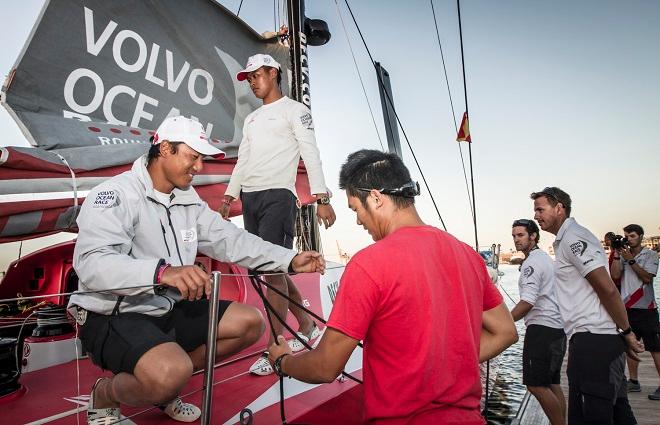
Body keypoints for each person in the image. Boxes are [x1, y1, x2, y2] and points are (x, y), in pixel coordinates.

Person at [68, 116, 325, 424]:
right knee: (169, 372)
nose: (199, 167)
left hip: (167, 308)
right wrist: (162, 273)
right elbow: (92, 264)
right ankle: (108, 392)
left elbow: (233, 240)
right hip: (112, 313)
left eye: (202, 158)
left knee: (249, 323)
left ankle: (164, 385)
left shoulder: (189, 201)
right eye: (193, 156)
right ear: (165, 149)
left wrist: (289, 259)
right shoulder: (116, 194)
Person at [267, 149, 518, 424]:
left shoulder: (368, 264)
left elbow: (326, 366)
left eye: (355, 209)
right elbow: (505, 332)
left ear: (375, 198)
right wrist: (445, 364)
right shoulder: (467, 255)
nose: (358, 221)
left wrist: (283, 361)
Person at [220, 53, 336, 375]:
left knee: (272, 269)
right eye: (249, 78)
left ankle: (275, 346)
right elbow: (242, 160)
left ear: (273, 73)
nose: (253, 83)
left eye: (257, 75)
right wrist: (230, 197)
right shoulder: (252, 120)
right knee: (272, 267)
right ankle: (308, 326)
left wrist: (321, 197)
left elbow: (311, 152)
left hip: (278, 197)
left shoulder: (296, 111)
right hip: (250, 199)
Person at [530, 187, 643, 425]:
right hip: (592, 340)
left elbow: (607, 288)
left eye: (540, 209)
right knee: (619, 413)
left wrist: (627, 332)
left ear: (559, 208)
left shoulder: (573, 238)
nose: (536, 216)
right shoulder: (565, 241)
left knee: (592, 417)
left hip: (594, 343)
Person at [510, 219, 566, 425]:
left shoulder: (532, 263)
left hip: (542, 329)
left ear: (533, 236)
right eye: (514, 236)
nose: (516, 240)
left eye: (521, 235)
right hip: (557, 328)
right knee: (552, 383)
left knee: (536, 385)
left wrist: (505, 323)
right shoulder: (543, 258)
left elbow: (527, 302)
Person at [610, 224, 660, 399]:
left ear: (640, 236)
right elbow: (615, 276)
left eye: (632, 236)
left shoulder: (651, 255)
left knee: (655, 348)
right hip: (627, 308)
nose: (628, 239)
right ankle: (634, 381)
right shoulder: (623, 255)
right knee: (630, 346)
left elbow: (647, 278)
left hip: (647, 308)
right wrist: (617, 254)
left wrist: (631, 260)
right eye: (626, 236)